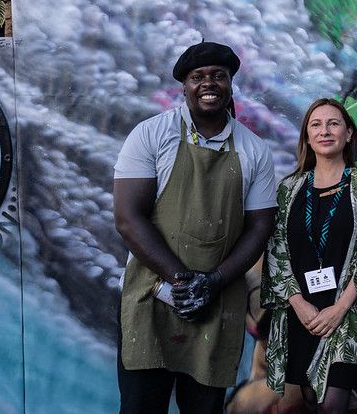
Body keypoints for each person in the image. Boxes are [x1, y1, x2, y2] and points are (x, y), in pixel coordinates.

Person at [113, 41, 277, 413]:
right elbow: (128, 217)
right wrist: (183, 280)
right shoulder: (152, 134)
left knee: (203, 407)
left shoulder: (254, 149)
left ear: (230, 84)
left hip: (217, 302)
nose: (209, 83)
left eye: (218, 76)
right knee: (141, 406)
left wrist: (214, 281)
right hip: (151, 294)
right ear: (184, 86)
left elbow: (259, 227)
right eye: (197, 77)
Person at [261, 98, 357, 412]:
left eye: (333, 123)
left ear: (349, 133)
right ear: (307, 137)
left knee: (333, 404)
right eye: (316, 125)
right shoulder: (289, 189)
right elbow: (276, 249)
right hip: (299, 314)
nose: (325, 131)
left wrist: (340, 307)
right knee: (307, 398)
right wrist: (298, 303)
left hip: (345, 314)